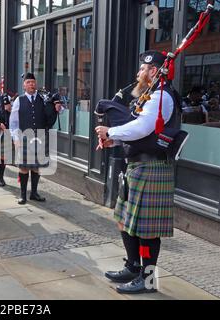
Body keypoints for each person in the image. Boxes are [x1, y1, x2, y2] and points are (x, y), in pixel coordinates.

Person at [95, 50, 180, 294]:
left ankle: (149, 279)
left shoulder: (162, 96)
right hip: (137, 166)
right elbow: (141, 132)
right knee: (124, 221)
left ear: (154, 71)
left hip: (152, 168)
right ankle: (133, 266)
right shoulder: (149, 96)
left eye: (142, 69)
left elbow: (142, 128)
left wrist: (110, 133)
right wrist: (115, 141)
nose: (138, 73)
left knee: (147, 231)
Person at [9, 72, 62, 205]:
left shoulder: (43, 98)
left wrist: (58, 107)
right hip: (24, 137)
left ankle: (34, 193)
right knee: (24, 167)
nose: (31, 84)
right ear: (24, 86)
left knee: (36, 166)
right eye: (28, 82)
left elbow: (56, 111)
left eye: (33, 82)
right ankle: (22, 195)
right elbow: (14, 122)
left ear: (36, 84)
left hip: (40, 136)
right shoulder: (18, 100)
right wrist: (15, 137)